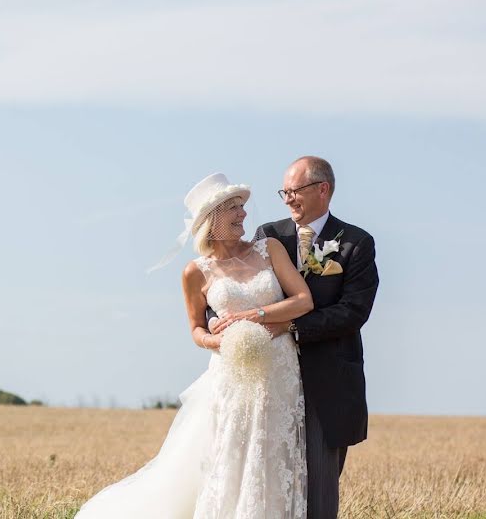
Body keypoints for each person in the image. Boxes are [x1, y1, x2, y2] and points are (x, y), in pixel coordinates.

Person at [76, 173, 313, 518]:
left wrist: (255, 315)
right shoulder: (195, 272)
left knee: (276, 455)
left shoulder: (269, 249)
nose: (244, 214)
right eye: (234, 208)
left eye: (243, 207)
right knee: (231, 454)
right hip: (234, 374)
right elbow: (197, 331)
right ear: (212, 218)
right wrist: (222, 340)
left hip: (280, 372)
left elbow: (303, 301)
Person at [219, 156, 379, 519]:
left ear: (323, 189)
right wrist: (219, 320)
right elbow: (237, 286)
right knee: (267, 486)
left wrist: (292, 328)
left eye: (296, 191)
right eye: (284, 192)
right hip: (269, 382)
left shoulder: (357, 243)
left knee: (319, 495)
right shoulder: (268, 236)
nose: (288, 199)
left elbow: (354, 311)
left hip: (329, 383)